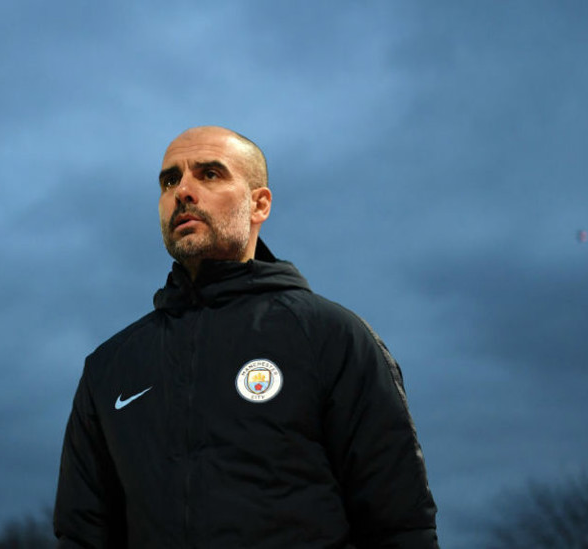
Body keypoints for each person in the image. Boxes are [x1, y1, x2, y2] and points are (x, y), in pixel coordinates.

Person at [54, 126, 439, 548]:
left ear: (259, 204)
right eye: (169, 180)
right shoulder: (110, 367)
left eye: (210, 174)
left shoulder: (331, 336)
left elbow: (400, 524)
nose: (183, 190)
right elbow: (82, 534)